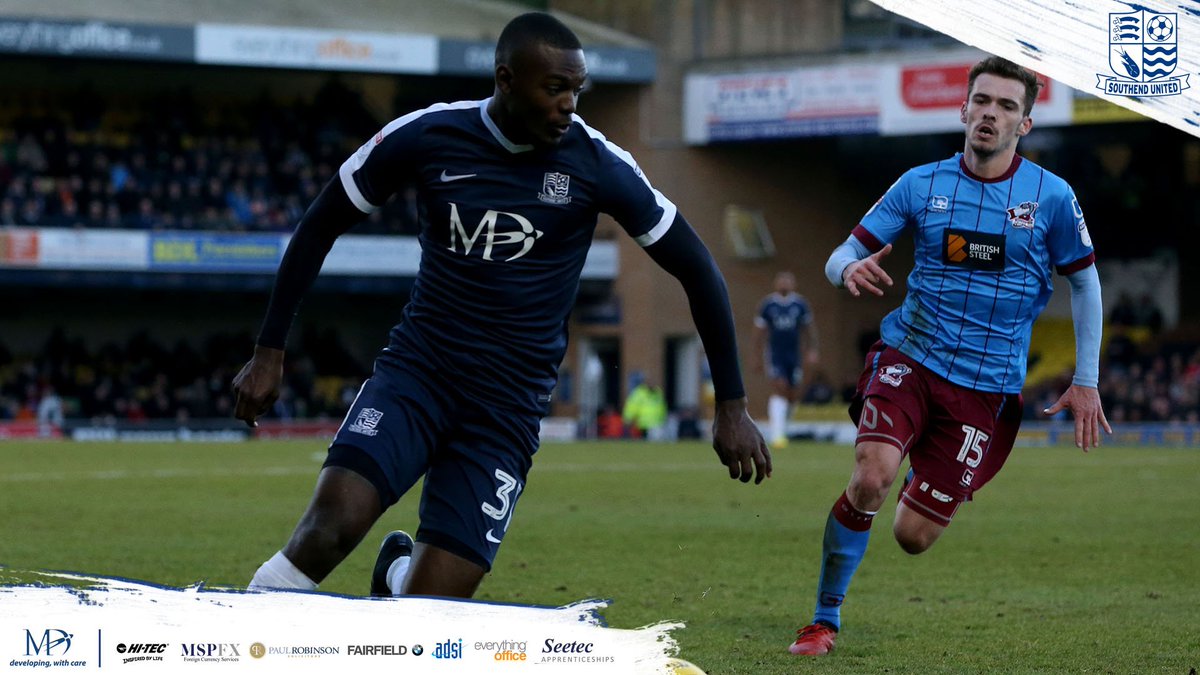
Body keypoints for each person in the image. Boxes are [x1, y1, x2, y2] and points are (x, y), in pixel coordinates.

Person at [233, 12, 771, 600]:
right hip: (418, 375)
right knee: (328, 529)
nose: (568, 105)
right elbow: (319, 224)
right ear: (506, 79)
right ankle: (239, 630)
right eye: (555, 88)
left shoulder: (597, 164)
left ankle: (396, 577)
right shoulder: (428, 135)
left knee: (433, 611)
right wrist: (269, 350)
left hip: (506, 408)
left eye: (577, 90)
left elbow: (699, 269)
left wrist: (732, 405)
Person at [788, 56, 1111, 656]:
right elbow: (840, 254)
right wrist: (846, 270)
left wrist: (1086, 379)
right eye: (982, 101)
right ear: (963, 109)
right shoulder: (920, 184)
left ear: (1025, 124)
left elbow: (1086, 284)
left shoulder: (1052, 197)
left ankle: (924, 472)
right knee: (870, 476)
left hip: (985, 387)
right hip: (910, 355)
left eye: (1007, 106)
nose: (991, 113)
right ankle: (823, 621)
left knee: (913, 536)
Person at [752, 271, 818, 448]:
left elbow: (809, 329)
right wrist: (756, 356)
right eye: (781, 281)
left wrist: (812, 350)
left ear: (793, 284)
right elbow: (759, 333)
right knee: (779, 387)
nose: (784, 284)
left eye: (787, 281)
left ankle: (784, 427)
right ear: (775, 284)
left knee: (792, 394)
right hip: (775, 354)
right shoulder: (768, 305)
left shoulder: (800, 304)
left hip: (794, 355)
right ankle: (777, 435)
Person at [622, 372, 668, 440]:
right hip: (643, 425)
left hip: (657, 424)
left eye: (653, 382)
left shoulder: (658, 392)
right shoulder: (639, 393)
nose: (652, 384)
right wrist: (627, 419)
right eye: (650, 382)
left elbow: (663, 407)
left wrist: (664, 419)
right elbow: (631, 407)